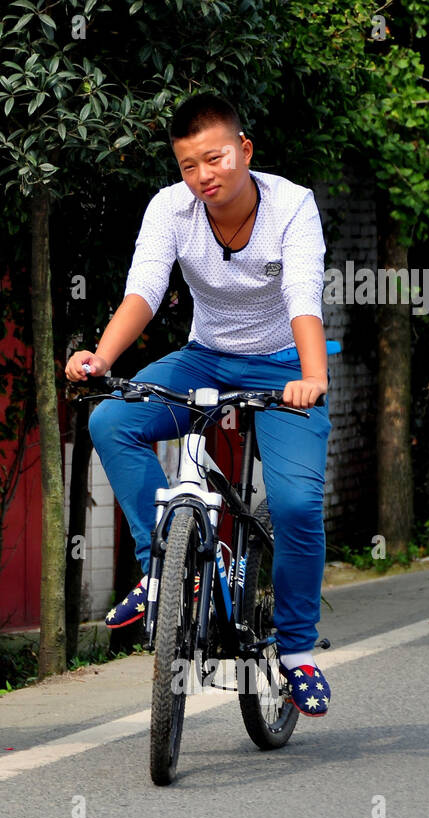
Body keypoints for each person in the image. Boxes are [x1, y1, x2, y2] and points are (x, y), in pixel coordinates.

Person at [65, 93, 334, 717]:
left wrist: (313, 376)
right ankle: (162, 567)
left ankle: (295, 650)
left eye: (214, 159)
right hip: (205, 356)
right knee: (113, 420)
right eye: (189, 165)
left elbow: (302, 296)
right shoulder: (172, 208)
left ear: (244, 150)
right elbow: (145, 290)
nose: (203, 176)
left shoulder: (292, 205)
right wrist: (102, 360)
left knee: (296, 503)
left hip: (287, 364)